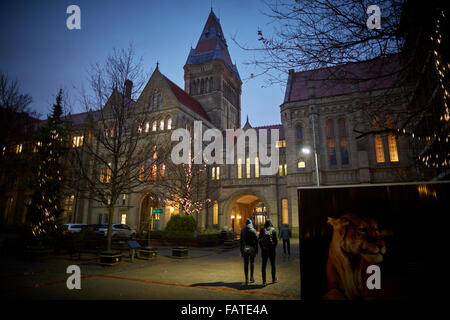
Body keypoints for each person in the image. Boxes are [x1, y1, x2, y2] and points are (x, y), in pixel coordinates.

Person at [259, 219, 278, 286]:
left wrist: (262, 247)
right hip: (272, 251)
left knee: (263, 266)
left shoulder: (262, 230)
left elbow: (259, 240)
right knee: (273, 265)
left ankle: (264, 281)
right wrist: (272, 247)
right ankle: (273, 279)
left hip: (264, 251)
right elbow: (276, 241)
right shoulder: (273, 230)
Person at [240, 218, 258, 285]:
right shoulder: (253, 230)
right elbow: (256, 241)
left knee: (246, 263)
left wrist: (241, 250)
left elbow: (241, 242)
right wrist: (256, 250)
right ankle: (251, 277)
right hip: (252, 248)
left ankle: (246, 279)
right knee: (252, 262)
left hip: (245, 249)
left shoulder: (243, 230)